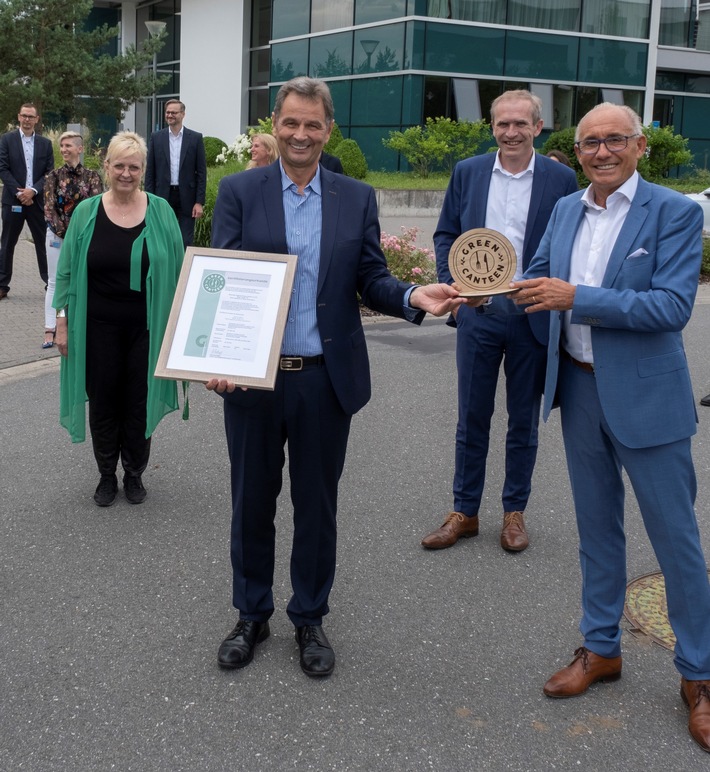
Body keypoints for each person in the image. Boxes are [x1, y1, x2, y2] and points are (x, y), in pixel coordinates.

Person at [207, 76, 476, 678]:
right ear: (273, 125)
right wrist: (217, 362)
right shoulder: (240, 191)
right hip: (254, 380)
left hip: (324, 380)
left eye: (313, 124)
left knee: (317, 504)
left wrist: (414, 295)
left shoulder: (355, 196)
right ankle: (251, 612)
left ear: (330, 131)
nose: (300, 134)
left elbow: (370, 280)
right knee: (251, 502)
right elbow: (221, 282)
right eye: (290, 122)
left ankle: (309, 615)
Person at [511, 103, 710, 752]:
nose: (601, 151)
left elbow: (672, 306)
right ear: (576, 151)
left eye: (613, 141)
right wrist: (488, 284)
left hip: (648, 401)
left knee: (676, 542)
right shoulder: (568, 207)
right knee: (597, 531)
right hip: (579, 388)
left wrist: (579, 299)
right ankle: (601, 648)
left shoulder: (676, 213)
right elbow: (538, 272)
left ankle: (700, 676)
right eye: (589, 142)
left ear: (639, 145)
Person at [420, 90, 577, 553]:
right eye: (502, 124)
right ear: (492, 127)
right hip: (479, 313)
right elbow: (447, 233)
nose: (511, 132)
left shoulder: (561, 177)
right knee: (472, 417)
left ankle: (514, 513)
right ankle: (465, 512)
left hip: (531, 313)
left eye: (520, 124)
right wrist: (455, 285)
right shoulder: (468, 172)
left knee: (523, 421)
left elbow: (571, 240)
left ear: (538, 126)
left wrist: (553, 290)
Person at [53, 131, 185, 508]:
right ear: (106, 166)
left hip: (147, 327)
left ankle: (135, 473)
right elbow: (64, 274)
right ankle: (106, 474)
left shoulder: (160, 211)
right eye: (119, 165)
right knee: (104, 401)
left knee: (137, 401)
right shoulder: (86, 212)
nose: (126, 173)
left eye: (134, 166)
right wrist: (60, 321)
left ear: (143, 170)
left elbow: (179, 273)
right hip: (97, 327)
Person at [42, 131, 103, 349]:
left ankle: (77, 323)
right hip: (58, 237)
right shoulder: (53, 176)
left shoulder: (93, 177)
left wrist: (81, 236)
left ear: (80, 148)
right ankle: (51, 327)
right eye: (62, 146)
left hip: (85, 238)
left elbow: (97, 206)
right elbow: (49, 210)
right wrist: (67, 235)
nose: (64, 149)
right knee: (56, 283)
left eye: (69, 145)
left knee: (83, 280)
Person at [0, 103, 54, 300]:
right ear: (18, 117)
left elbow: (49, 173)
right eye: (24, 116)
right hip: (13, 201)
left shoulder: (45, 144)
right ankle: (2, 285)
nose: (27, 120)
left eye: (31, 116)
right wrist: (20, 193)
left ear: (37, 119)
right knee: (7, 243)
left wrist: (33, 191)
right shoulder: (6, 140)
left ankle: (51, 283)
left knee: (43, 243)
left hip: (37, 202)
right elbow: (3, 168)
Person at [145, 99, 206, 249]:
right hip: (162, 196)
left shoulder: (195, 138)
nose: (170, 115)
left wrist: (199, 202)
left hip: (187, 197)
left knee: (185, 241)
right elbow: (150, 171)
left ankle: (182, 271)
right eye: (167, 112)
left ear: (183, 114)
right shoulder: (156, 138)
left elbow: (202, 172)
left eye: (174, 112)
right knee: (162, 238)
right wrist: (147, 198)